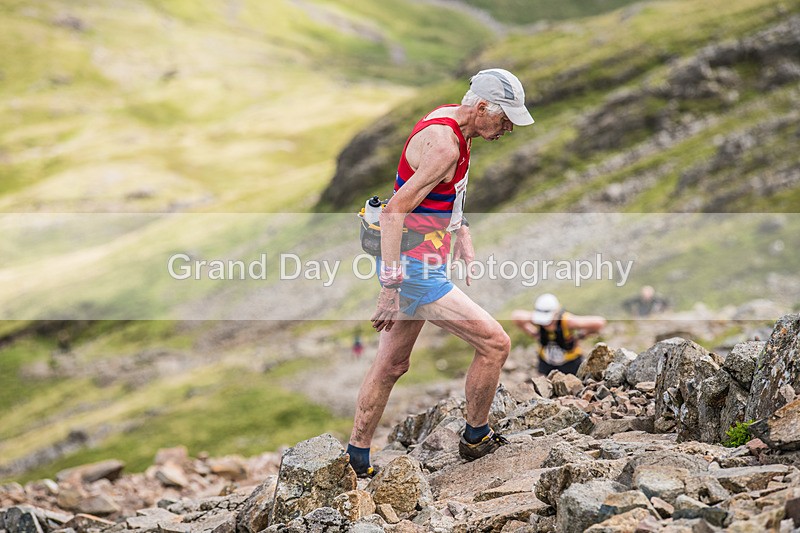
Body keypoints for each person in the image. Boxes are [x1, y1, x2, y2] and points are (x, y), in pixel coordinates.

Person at [347, 68, 535, 477]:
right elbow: (396, 210)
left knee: (392, 365)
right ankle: (476, 437)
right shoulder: (445, 145)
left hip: (423, 258)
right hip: (414, 268)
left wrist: (460, 231)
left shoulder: (456, 123)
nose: (508, 128)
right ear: (482, 107)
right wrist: (390, 288)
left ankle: (356, 460)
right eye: (505, 119)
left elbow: (445, 193)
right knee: (495, 344)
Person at [511, 293, 606, 376]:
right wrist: (534, 333)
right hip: (546, 363)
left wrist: (580, 336)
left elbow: (599, 322)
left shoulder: (567, 321)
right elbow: (516, 316)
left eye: (549, 321)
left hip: (570, 363)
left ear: (556, 314)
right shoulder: (537, 319)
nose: (546, 324)